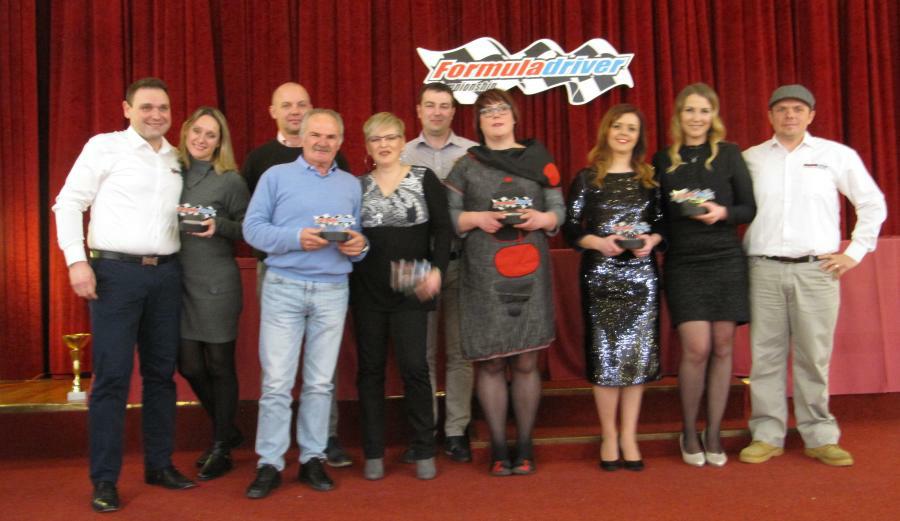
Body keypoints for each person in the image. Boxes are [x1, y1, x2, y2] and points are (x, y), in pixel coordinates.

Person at [53, 77, 196, 513]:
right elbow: (68, 203)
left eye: (163, 108)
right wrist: (76, 261)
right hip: (115, 274)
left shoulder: (177, 158)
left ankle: (159, 464)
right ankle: (104, 479)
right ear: (127, 109)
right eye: (147, 107)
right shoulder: (104, 147)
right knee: (112, 378)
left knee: (161, 375)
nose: (156, 115)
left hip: (166, 274)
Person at [739, 84, 886, 467]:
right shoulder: (751, 159)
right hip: (763, 270)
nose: (790, 115)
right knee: (765, 357)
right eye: (782, 109)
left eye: (797, 109)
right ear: (770, 116)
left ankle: (819, 435)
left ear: (811, 115)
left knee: (814, 358)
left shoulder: (836, 156)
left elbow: (872, 202)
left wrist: (854, 252)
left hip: (816, 271)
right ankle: (766, 434)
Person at [242, 109, 368, 499]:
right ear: (303, 137)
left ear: (340, 142)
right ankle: (269, 462)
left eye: (331, 137)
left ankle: (313, 457)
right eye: (316, 135)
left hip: (333, 289)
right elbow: (252, 229)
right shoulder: (275, 176)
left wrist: (361, 247)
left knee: (319, 382)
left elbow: (358, 237)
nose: (322, 143)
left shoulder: (351, 185)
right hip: (284, 286)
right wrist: (297, 238)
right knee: (277, 382)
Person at [445, 89, 564, 476]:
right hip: (482, 274)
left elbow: (558, 209)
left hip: (530, 271)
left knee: (527, 361)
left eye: (501, 109)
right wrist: (476, 218)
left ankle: (525, 446)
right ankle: (498, 448)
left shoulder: (539, 158)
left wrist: (543, 219)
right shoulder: (466, 164)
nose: (495, 116)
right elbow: (448, 215)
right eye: (486, 111)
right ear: (478, 122)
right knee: (492, 362)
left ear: (515, 116)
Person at [652, 84, 756, 467]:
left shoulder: (729, 154)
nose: (696, 118)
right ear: (679, 116)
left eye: (703, 110)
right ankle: (688, 430)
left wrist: (722, 213)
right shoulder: (663, 160)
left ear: (713, 116)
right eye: (689, 110)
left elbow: (749, 207)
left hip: (726, 258)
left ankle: (714, 431)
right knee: (696, 348)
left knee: (723, 346)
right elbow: (658, 216)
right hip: (684, 262)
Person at [562, 104, 663, 472]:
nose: (624, 133)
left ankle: (629, 436)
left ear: (639, 137)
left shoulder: (650, 179)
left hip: (641, 278)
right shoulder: (588, 178)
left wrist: (652, 240)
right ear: (606, 130)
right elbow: (570, 228)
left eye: (631, 128)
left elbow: (663, 226)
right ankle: (608, 435)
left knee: (637, 357)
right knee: (605, 356)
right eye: (618, 126)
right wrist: (598, 243)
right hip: (601, 276)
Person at [352, 112, 452, 480]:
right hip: (367, 292)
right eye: (376, 139)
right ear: (367, 146)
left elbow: (443, 230)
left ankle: (424, 447)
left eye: (391, 137)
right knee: (370, 372)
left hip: (412, 290)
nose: (384, 145)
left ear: (402, 141)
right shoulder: (357, 186)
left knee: (414, 368)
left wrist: (438, 270)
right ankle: (373, 451)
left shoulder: (424, 178)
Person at [401, 82, 478, 462]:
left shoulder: (471, 153)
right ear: (418, 110)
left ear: (453, 111)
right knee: (423, 353)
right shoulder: (402, 153)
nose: (437, 112)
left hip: (462, 261)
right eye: (430, 105)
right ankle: (425, 429)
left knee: (460, 352)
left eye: (444, 105)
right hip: (418, 266)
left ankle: (456, 430)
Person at [175, 106, 250, 480]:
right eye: (198, 131)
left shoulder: (229, 180)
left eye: (211, 135)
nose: (202, 140)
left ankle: (222, 447)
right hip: (178, 284)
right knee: (188, 365)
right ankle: (229, 430)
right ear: (186, 131)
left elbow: (251, 228)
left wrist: (218, 225)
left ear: (220, 143)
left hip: (216, 283)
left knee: (220, 365)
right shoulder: (169, 173)